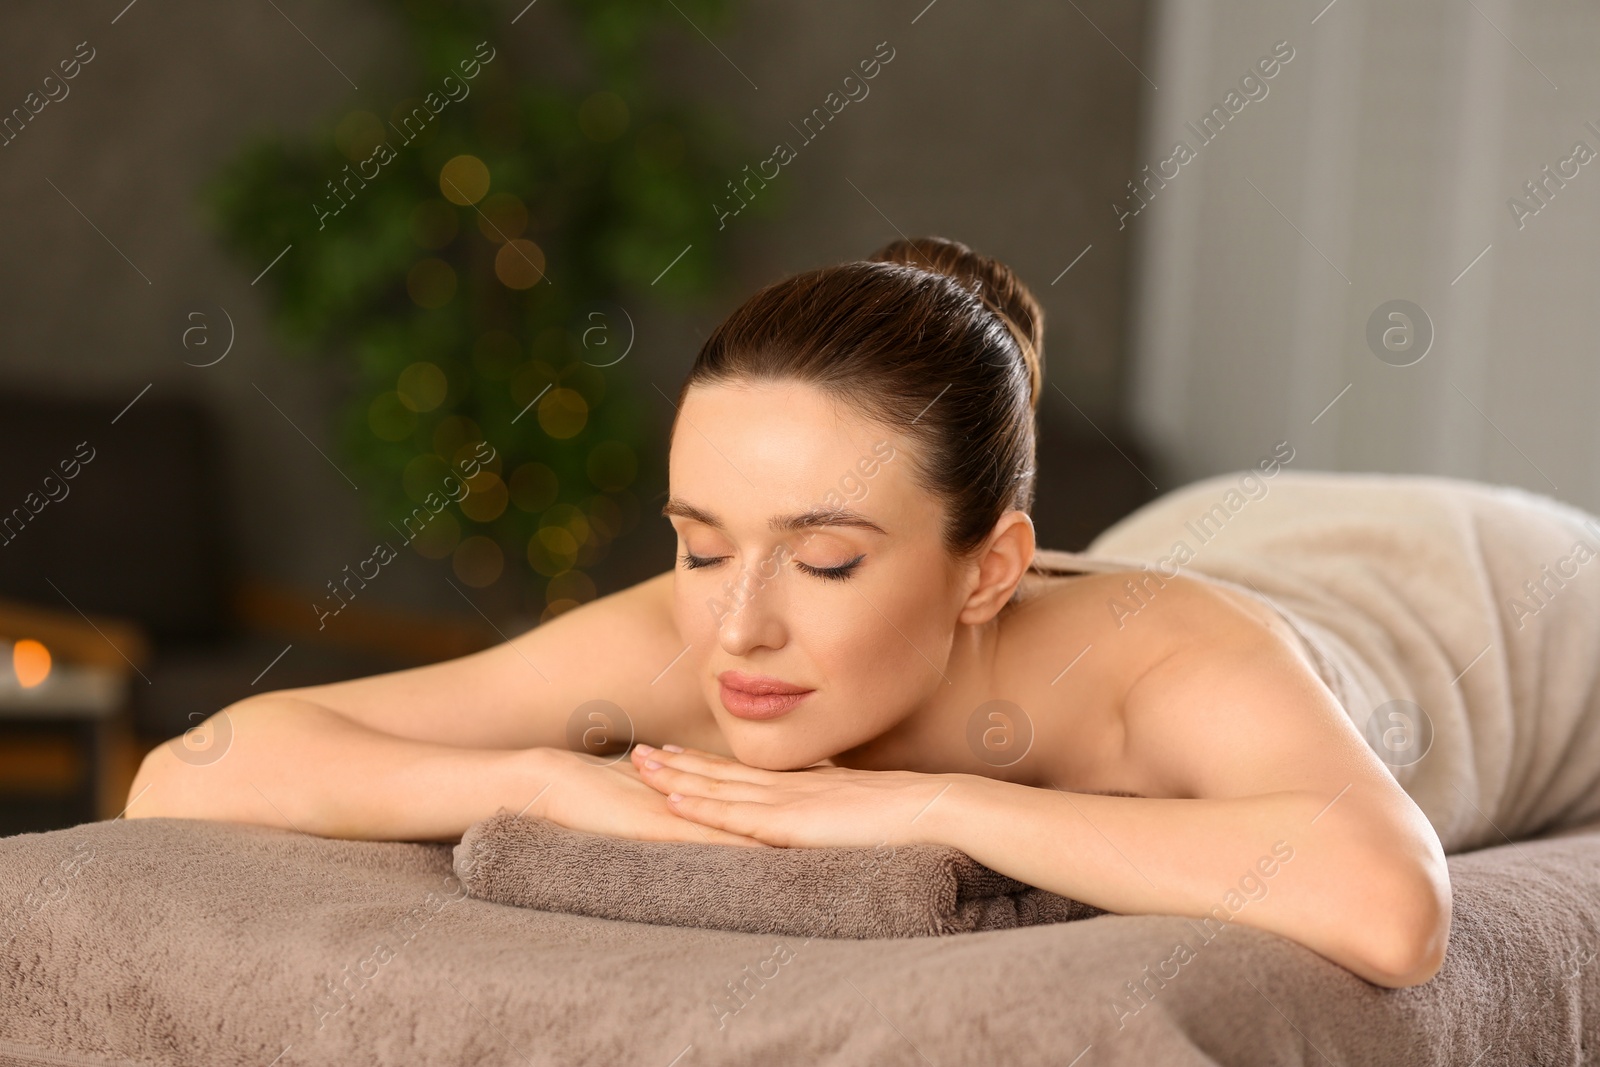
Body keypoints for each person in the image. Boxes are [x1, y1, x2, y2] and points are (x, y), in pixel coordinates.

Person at [127, 236, 1450, 989]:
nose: (738, 630)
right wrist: (541, 781)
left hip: (1427, 589)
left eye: (822, 563)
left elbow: (1390, 904)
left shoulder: (1162, 661)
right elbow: (190, 776)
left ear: (990, 570)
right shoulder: (690, 632)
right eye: (703, 545)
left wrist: (933, 804)